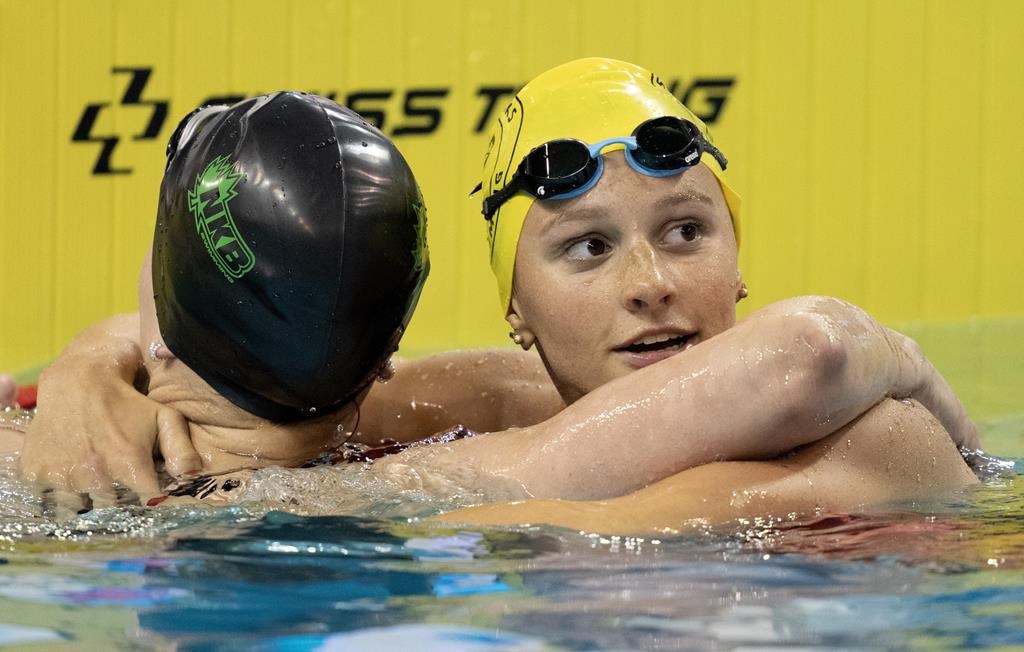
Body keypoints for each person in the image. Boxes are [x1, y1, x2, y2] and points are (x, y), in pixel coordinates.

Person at [12, 62, 978, 528]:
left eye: (687, 232)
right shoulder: (493, 401)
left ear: (739, 259)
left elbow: (810, 351)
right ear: (517, 315)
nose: (651, 287)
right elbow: (251, 353)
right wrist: (84, 374)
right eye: (587, 248)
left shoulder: (884, 441)